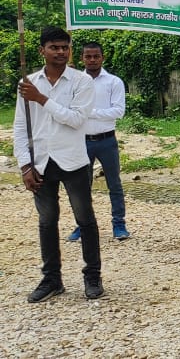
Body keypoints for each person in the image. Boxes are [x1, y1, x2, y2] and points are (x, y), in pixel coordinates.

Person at [15, 27, 102, 302]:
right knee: (47, 221)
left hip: (74, 160)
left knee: (85, 219)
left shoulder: (81, 81)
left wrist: (42, 99)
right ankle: (52, 279)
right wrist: (25, 166)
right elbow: (20, 127)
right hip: (41, 161)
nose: (61, 52)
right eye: (54, 47)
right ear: (42, 50)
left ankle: (92, 277)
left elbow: (77, 120)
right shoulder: (29, 83)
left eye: (65, 47)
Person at [66, 42, 129, 242]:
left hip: (106, 140)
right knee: (81, 186)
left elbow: (118, 111)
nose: (92, 60)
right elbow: (67, 108)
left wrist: (88, 112)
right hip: (82, 141)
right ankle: (82, 226)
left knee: (114, 184)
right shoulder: (74, 81)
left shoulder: (113, 82)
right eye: (88, 56)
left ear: (102, 57)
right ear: (82, 58)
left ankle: (119, 225)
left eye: (96, 56)